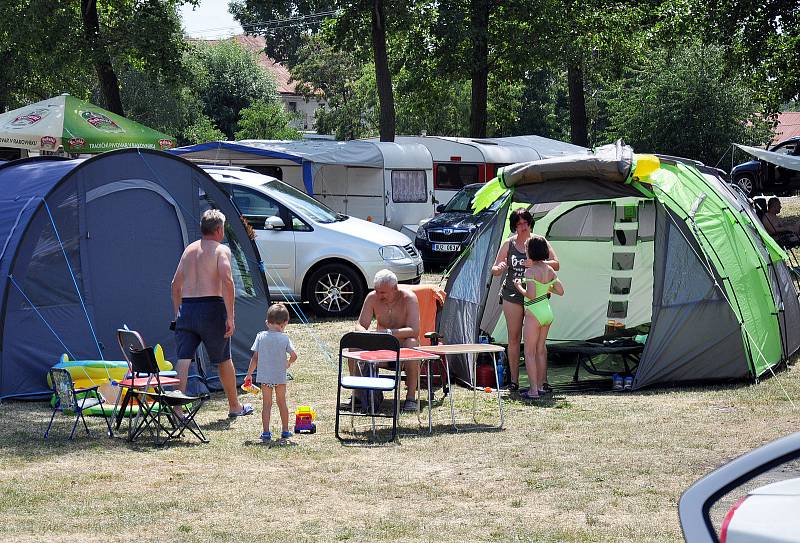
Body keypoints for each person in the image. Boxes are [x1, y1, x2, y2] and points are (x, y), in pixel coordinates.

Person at [171, 209, 253, 418]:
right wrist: (231, 317)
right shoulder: (220, 250)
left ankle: (178, 408)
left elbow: (175, 284)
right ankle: (235, 407)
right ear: (218, 229)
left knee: (183, 359)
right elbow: (227, 280)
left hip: (187, 309)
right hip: (211, 308)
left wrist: (177, 312)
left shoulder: (189, 250)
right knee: (223, 359)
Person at [490, 208, 559, 392]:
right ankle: (514, 381)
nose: (523, 226)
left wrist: (537, 262)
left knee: (538, 344)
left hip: (536, 299)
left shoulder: (538, 241)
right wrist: (500, 267)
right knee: (514, 339)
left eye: (526, 222)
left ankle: (542, 382)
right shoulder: (509, 243)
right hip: (512, 294)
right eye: (519, 223)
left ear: (530, 223)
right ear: (514, 226)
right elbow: (494, 270)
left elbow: (556, 264)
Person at [354, 269, 421, 412]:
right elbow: (360, 325)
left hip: (401, 348)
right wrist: (367, 334)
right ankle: (358, 394)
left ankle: (410, 398)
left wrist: (388, 333)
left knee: (412, 343)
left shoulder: (409, 298)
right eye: (377, 291)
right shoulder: (372, 298)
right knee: (354, 345)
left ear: (395, 288)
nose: (379, 295)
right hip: (380, 348)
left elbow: (414, 330)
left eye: (383, 292)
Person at [514, 235, 564, 400]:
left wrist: (519, 286)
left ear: (530, 252)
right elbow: (560, 291)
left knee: (529, 353)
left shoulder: (530, 271)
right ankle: (542, 385)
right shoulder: (549, 269)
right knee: (541, 349)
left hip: (534, 312)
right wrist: (547, 288)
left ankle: (533, 391)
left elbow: (531, 295)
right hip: (547, 311)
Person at [243, 303, 297, 443]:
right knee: (282, 402)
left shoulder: (261, 337)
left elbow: (255, 358)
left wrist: (249, 374)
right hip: (279, 377)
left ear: (267, 322)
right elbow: (294, 355)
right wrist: (288, 363)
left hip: (265, 377)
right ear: (285, 323)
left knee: (267, 405)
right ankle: (285, 430)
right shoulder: (285, 338)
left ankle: (266, 432)